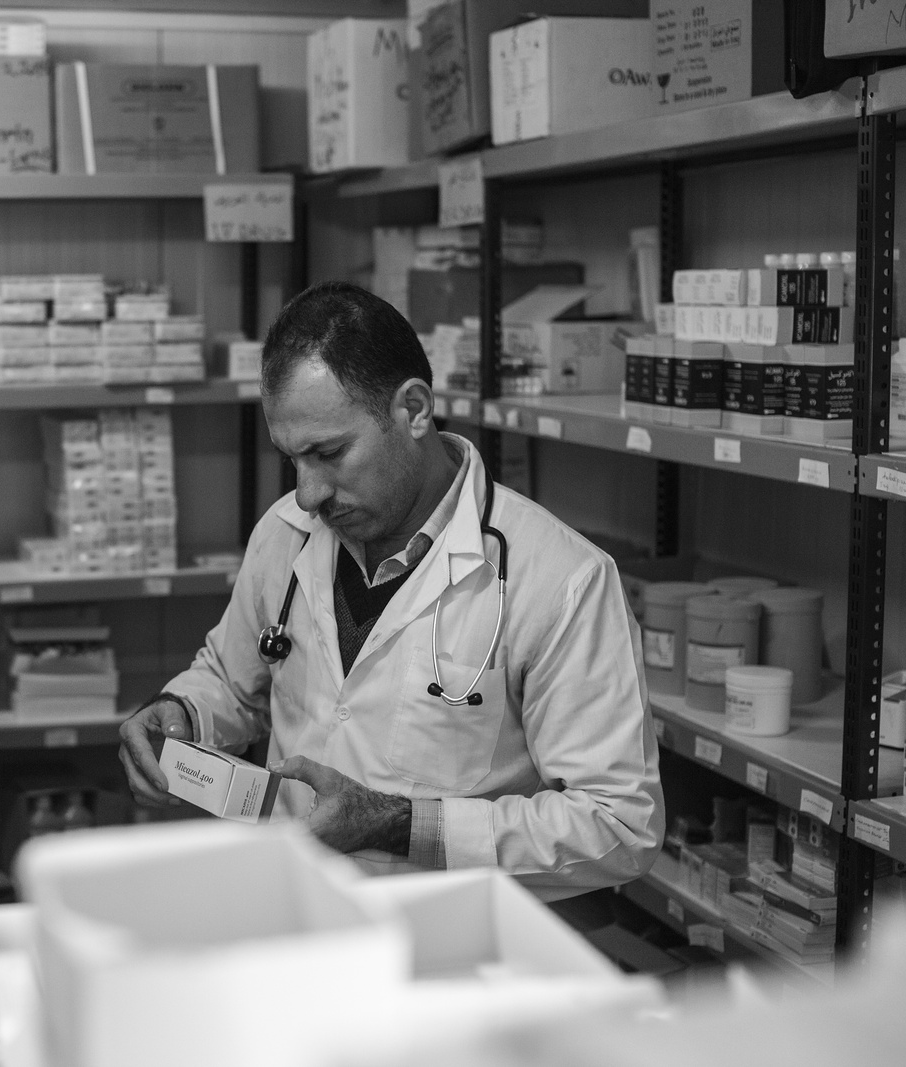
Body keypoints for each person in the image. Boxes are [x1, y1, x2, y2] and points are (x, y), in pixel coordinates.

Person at [118, 282, 662, 900]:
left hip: (446, 947)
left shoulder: (561, 579)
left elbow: (620, 825)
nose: (307, 493)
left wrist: (403, 825)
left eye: (329, 453)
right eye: (292, 459)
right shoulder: (286, 533)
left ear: (414, 410)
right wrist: (184, 710)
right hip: (295, 911)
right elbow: (231, 676)